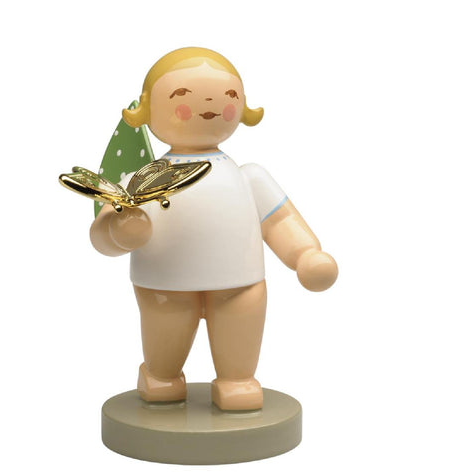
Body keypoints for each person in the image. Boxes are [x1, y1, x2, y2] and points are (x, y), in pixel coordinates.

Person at [89, 47, 338, 411]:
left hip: (240, 283)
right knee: (165, 339)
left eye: (228, 96)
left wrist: (305, 254)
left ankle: (237, 380)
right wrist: (119, 231)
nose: (208, 103)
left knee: (240, 331)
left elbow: (279, 220)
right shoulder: (142, 181)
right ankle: (160, 375)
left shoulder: (248, 176)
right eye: (182, 95)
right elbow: (101, 235)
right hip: (165, 284)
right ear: (147, 109)